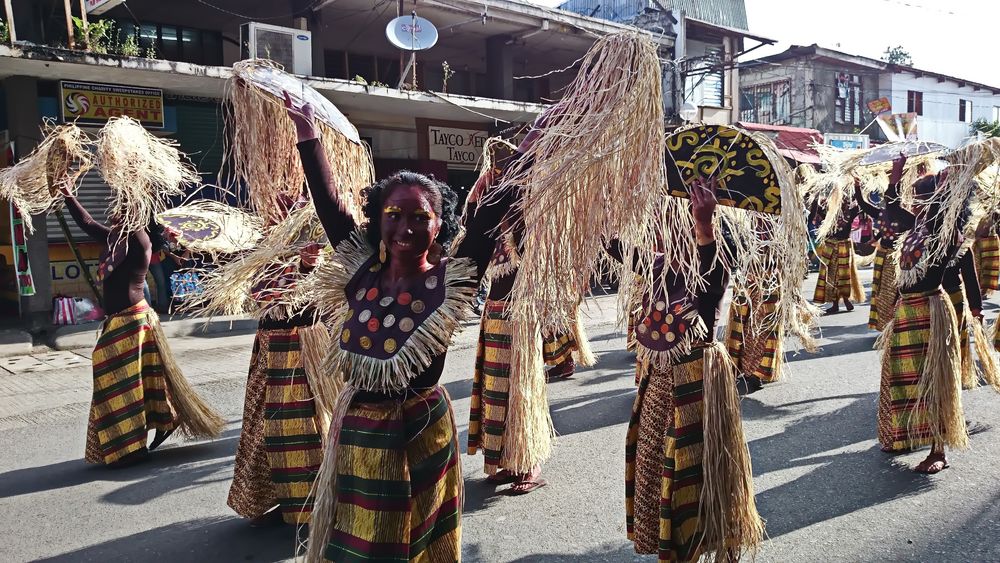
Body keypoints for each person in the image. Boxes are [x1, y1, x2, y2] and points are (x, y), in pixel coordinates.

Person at [286, 93, 512, 562]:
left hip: (420, 430)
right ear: (377, 220)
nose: (404, 227)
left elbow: (488, 222)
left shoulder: (452, 279)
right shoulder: (360, 270)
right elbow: (330, 207)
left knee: (416, 538)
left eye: (419, 218)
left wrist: (529, 156)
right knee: (359, 537)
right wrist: (309, 139)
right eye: (393, 215)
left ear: (439, 225)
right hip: (358, 430)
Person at [622, 178, 762, 561]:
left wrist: (705, 226)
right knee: (658, 463)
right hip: (661, 380)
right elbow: (617, 249)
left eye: (675, 223)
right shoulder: (660, 266)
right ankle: (680, 546)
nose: (665, 229)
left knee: (699, 469)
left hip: (699, 381)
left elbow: (712, 277)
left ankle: (713, 542)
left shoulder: (712, 267)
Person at [59, 185, 222, 467]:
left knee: (123, 378)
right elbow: (86, 223)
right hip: (119, 322)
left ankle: (132, 445)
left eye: (123, 212)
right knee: (137, 379)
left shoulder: (141, 243)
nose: (115, 215)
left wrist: (131, 186)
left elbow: (135, 216)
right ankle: (149, 428)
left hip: (133, 321)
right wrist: (67, 194)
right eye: (117, 212)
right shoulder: (114, 240)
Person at [467, 144, 595, 495]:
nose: (497, 174)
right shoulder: (487, 210)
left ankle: (529, 463)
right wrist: (481, 197)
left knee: (523, 392)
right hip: (494, 313)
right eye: (494, 170)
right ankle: (505, 461)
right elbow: (470, 231)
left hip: (522, 315)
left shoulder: (531, 213)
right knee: (496, 392)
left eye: (505, 171)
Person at [226, 192, 330, 526]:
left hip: (305, 345)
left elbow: (320, 288)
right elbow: (256, 290)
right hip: (271, 346)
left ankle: (318, 499)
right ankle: (272, 495)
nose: (276, 207)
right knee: (268, 429)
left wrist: (305, 264)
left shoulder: (315, 232)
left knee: (308, 426)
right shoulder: (260, 241)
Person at [876, 154, 974, 474]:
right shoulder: (916, 227)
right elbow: (890, 208)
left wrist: (956, 180)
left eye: (921, 197)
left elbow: (955, 207)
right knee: (904, 378)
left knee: (933, 379)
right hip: (907, 311)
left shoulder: (946, 236)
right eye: (915, 196)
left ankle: (939, 451)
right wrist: (896, 173)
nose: (915, 202)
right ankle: (906, 434)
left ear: (937, 202)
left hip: (931, 311)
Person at [855, 178, 901, 332]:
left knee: (893, 291)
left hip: (898, 258)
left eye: (890, 197)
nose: (887, 200)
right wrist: (857, 186)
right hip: (882, 256)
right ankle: (885, 325)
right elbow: (862, 204)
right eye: (886, 197)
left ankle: (896, 323)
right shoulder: (882, 213)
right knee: (881, 292)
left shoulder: (905, 216)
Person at [812, 194, 862, 314]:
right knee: (831, 276)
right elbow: (815, 208)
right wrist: (816, 193)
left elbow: (861, 205)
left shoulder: (850, 212)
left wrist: (856, 190)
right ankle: (835, 303)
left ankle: (846, 299)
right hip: (830, 246)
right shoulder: (828, 213)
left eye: (843, 201)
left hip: (843, 246)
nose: (841, 203)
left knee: (844, 275)